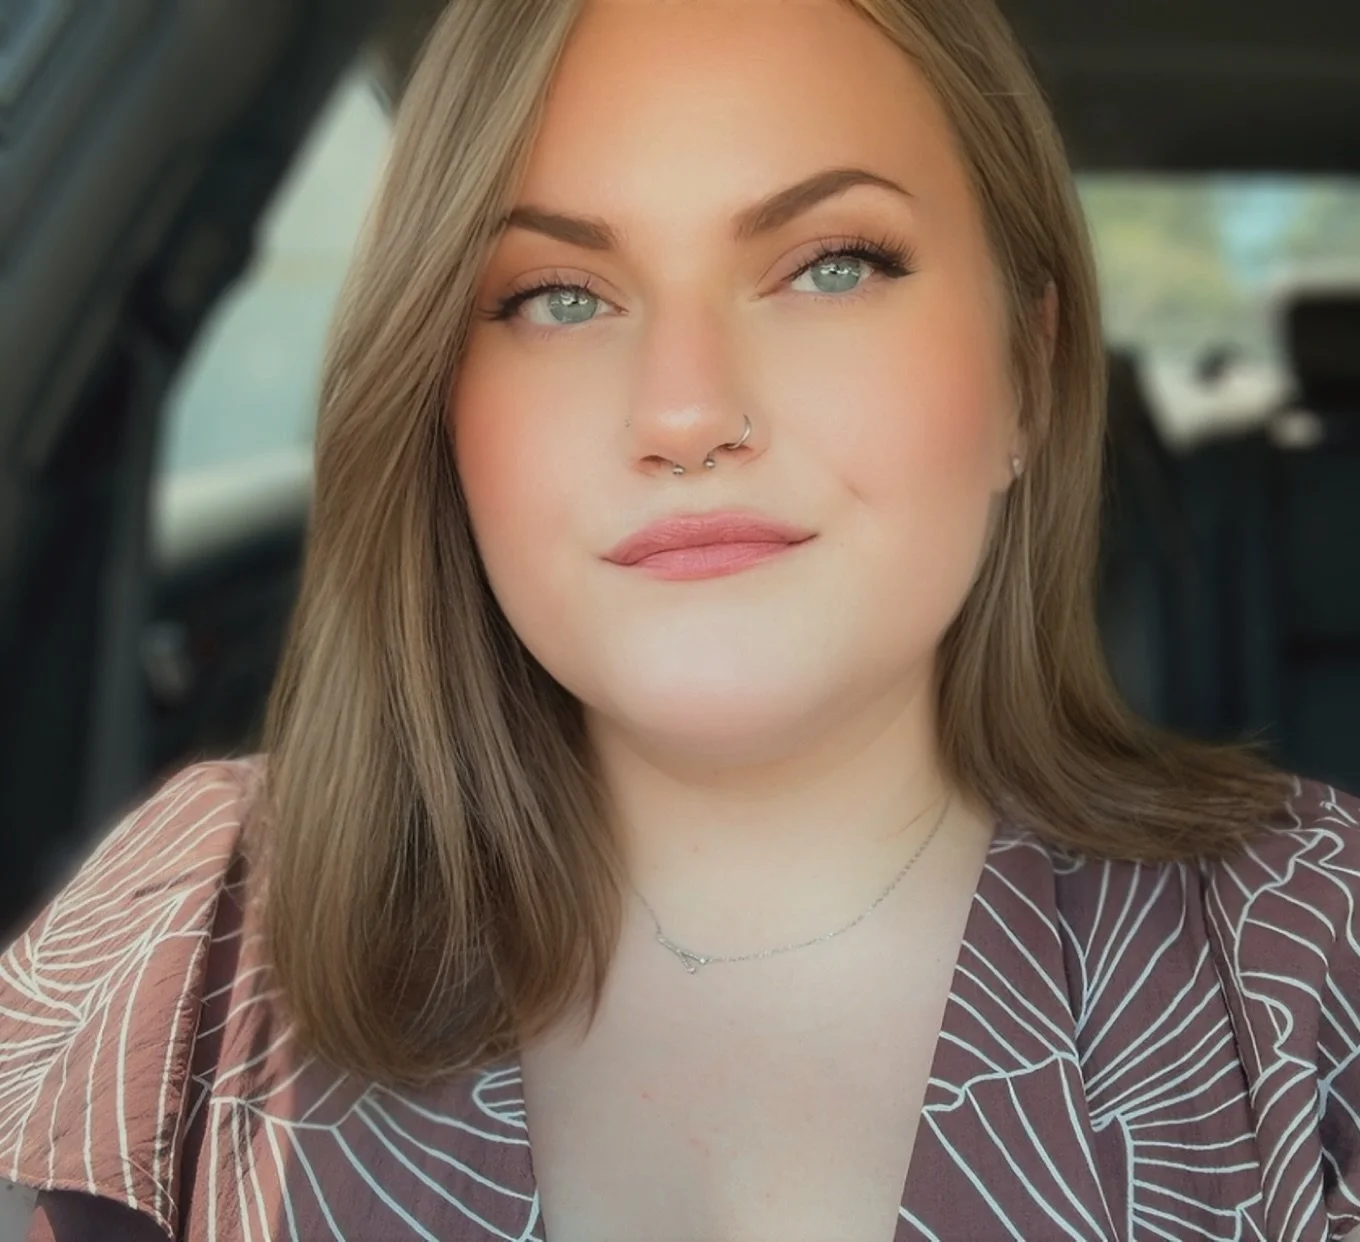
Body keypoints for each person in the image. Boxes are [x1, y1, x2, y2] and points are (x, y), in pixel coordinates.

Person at [2, 0, 1359, 1238]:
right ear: (437, 396)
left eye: (831, 264)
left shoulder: (1312, 962)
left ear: (1028, 375)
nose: (686, 411)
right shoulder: (199, 929)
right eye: (558, 295)